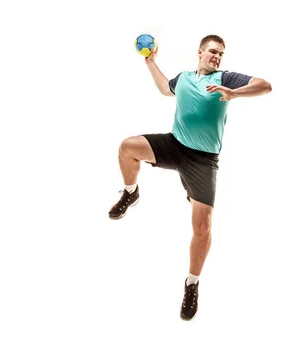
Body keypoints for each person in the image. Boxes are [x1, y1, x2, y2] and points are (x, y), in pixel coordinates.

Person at [108, 34, 272, 321]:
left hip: (203, 161)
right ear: (199, 52)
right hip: (175, 145)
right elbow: (163, 88)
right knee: (127, 147)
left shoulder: (227, 78)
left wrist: (234, 93)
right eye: (212, 51)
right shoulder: (184, 78)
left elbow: (265, 86)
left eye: (220, 53)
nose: (217, 57)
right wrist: (151, 62)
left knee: (203, 226)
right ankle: (130, 192)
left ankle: (192, 283)